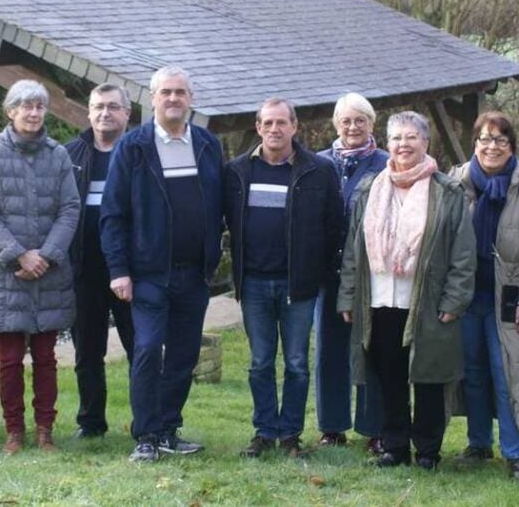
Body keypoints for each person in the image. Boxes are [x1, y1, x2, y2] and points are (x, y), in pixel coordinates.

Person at [100, 65, 225, 463]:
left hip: (194, 274)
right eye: (166, 92)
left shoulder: (207, 144)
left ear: (190, 99)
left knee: (184, 355)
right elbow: (113, 213)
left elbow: (218, 205)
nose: (173, 99)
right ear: (151, 98)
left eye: (180, 92)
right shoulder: (133, 147)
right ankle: (146, 435)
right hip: (149, 274)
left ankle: (169, 429)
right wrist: (118, 269)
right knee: (149, 349)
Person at [338, 111, 475, 471]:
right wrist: (348, 295)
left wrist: (454, 301)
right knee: (388, 376)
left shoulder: (447, 192)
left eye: (411, 137)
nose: (403, 145)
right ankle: (394, 446)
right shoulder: (371, 189)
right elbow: (355, 249)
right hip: (379, 300)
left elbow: (463, 252)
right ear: (388, 144)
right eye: (396, 138)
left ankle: (428, 450)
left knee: (428, 376)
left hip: (427, 301)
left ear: (426, 143)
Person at [226, 98, 343, 458]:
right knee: (260, 361)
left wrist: (319, 273)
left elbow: (334, 228)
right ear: (257, 127)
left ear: (295, 127)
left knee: (295, 362)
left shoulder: (318, 171)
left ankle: (290, 434)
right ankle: (264, 431)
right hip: (254, 284)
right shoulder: (236, 171)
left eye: (282, 123)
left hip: (299, 285)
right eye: (267, 123)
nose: (274, 129)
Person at [0, 80, 81, 454]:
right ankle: (14, 431)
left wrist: (46, 255)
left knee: (47, 358)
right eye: (26, 106)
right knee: (11, 359)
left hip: (49, 272)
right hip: (5, 275)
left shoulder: (59, 155)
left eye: (39, 106)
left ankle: (45, 429)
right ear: (10, 111)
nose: (33, 113)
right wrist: (19, 254)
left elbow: (70, 209)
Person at [451, 112, 519, 482]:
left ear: (511, 147)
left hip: (509, 300)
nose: (491, 146)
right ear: (474, 143)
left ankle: (517, 454)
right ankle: (479, 444)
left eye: (500, 140)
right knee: (473, 374)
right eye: (484, 139)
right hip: (466, 299)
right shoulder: (455, 184)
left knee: (509, 374)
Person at [315, 92, 389, 451]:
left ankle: (374, 428)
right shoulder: (318, 164)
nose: (353, 126)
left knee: (372, 348)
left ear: (372, 125)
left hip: (371, 272)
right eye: (346, 120)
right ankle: (332, 426)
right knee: (329, 351)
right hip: (328, 271)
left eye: (361, 120)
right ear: (335, 124)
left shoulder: (386, 164)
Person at [65, 83, 136, 439]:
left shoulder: (141, 152)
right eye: (97, 107)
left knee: (140, 348)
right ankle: (91, 422)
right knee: (86, 351)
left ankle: (147, 422)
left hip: (130, 269)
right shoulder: (71, 154)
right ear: (88, 112)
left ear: (127, 113)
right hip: (83, 268)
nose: (104, 113)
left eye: (112, 107)